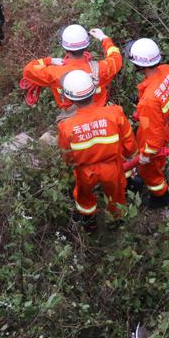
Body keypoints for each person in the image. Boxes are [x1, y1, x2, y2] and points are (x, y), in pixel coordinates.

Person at [56, 70, 137, 231]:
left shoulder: (66, 127)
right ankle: (117, 221)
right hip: (112, 167)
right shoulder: (115, 113)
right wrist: (130, 156)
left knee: (84, 196)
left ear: (70, 98)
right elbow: (129, 143)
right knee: (116, 195)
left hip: (85, 171)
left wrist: (72, 164)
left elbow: (67, 156)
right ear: (94, 91)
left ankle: (88, 222)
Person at [127, 38, 169, 208]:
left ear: (139, 65)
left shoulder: (149, 101)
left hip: (153, 134)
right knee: (153, 161)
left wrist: (146, 154)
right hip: (165, 123)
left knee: (149, 169)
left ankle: (160, 196)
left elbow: (154, 135)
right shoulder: (168, 71)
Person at [21, 24, 122, 114]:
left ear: (65, 48)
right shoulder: (100, 68)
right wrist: (103, 38)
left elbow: (28, 70)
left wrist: (49, 61)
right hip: (99, 113)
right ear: (86, 45)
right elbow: (116, 58)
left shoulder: (54, 73)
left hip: (71, 117)